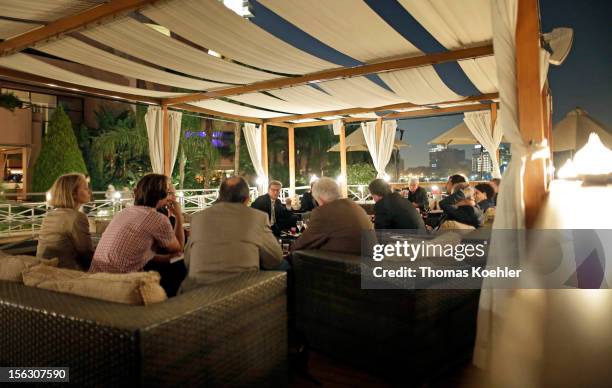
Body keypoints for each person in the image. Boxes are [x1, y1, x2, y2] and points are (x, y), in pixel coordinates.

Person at [181, 176, 283, 289]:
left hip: (196, 293)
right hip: (241, 294)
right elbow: (275, 258)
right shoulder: (257, 217)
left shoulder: (197, 218)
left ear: (220, 197)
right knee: (285, 265)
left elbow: (187, 261)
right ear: (246, 200)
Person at [89, 174, 184, 274]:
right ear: (163, 194)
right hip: (119, 281)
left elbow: (132, 252)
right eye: (169, 192)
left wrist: (166, 258)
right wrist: (178, 216)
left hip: (96, 276)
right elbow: (178, 250)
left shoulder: (125, 212)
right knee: (180, 264)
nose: (172, 197)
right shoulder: (158, 219)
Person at [291, 177, 373, 255]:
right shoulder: (354, 206)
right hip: (367, 262)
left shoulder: (324, 212)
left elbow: (300, 245)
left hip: (344, 266)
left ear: (320, 199)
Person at [36, 173, 93, 270]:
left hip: (44, 269)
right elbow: (86, 253)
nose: (89, 191)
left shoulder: (49, 215)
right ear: (73, 194)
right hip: (65, 272)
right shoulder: (77, 217)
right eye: (85, 188)